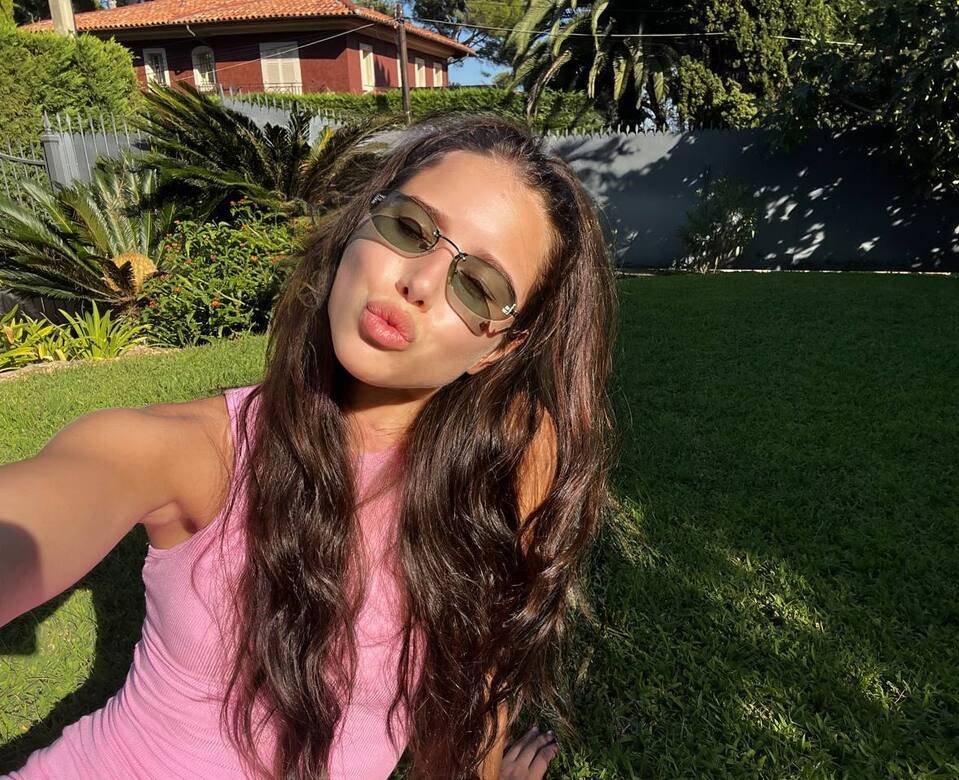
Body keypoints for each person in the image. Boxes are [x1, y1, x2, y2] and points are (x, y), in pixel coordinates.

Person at [0, 111, 620, 779]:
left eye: (478, 286)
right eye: (410, 228)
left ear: (499, 348)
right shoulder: (194, 452)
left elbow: (487, 657)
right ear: (359, 225)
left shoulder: (516, 454)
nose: (417, 284)